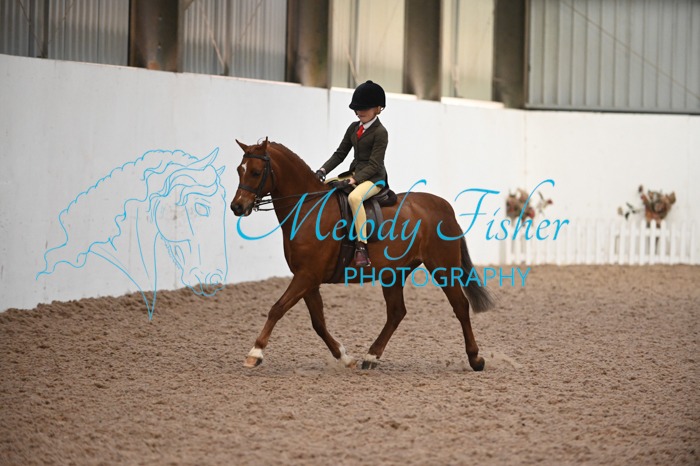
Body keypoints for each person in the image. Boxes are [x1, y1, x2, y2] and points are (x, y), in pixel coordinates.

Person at [316, 80, 388, 268]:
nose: (359, 112)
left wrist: (352, 180)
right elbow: (340, 154)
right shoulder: (353, 128)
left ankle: (361, 246)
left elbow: (374, 164)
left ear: (378, 108)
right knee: (324, 186)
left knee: (355, 198)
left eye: (364, 108)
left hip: (374, 179)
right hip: (354, 173)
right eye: (357, 108)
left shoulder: (381, 132)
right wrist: (322, 170)